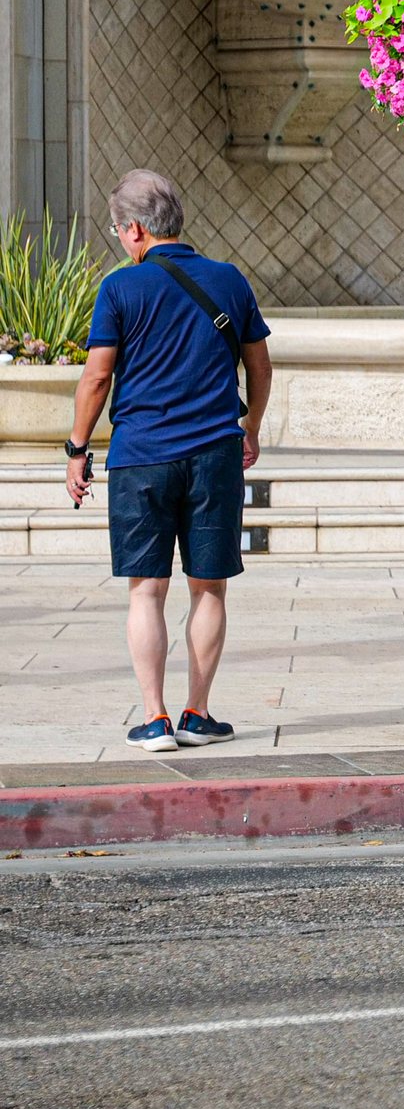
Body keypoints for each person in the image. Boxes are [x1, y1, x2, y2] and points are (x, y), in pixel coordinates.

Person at [67, 170, 272, 755]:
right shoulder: (229, 280)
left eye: (118, 231)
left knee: (146, 592)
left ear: (135, 229)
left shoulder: (120, 289)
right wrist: (249, 426)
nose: (120, 241)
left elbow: (98, 375)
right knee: (208, 589)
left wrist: (77, 448)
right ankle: (198, 713)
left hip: (141, 458)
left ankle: (154, 720)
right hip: (215, 455)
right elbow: (260, 368)